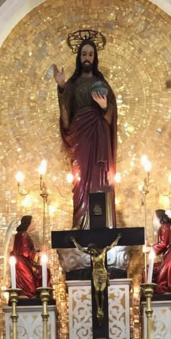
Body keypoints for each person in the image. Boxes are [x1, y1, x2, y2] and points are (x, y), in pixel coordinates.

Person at [53, 36, 117, 228]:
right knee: (80, 180)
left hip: (99, 136)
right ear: (79, 58)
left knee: (100, 177)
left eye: (90, 54)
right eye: (83, 54)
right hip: (80, 136)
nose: (87, 57)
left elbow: (111, 114)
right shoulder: (73, 84)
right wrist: (62, 86)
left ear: (94, 57)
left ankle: (102, 222)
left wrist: (105, 107)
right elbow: (66, 114)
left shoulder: (102, 83)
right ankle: (81, 222)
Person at [11, 216, 49, 299]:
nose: (34, 223)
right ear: (28, 223)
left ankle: (43, 293)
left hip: (26, 262)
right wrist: (39, 254)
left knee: (45, 271)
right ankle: (29, 295)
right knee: (30, 287)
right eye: (33, 221)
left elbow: (28, 251)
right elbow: (24, 251)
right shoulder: (22, 235)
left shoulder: (25, 235)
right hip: (22, 263)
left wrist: (39, 251)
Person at [152, 210, 171, 294]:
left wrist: (151, 249)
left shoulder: (164, 227)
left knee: (163, 281)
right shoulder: (167, 226)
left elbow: (163, 243)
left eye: (154, 218)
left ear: (159, 217)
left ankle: (165, 291)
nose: (153, 220)